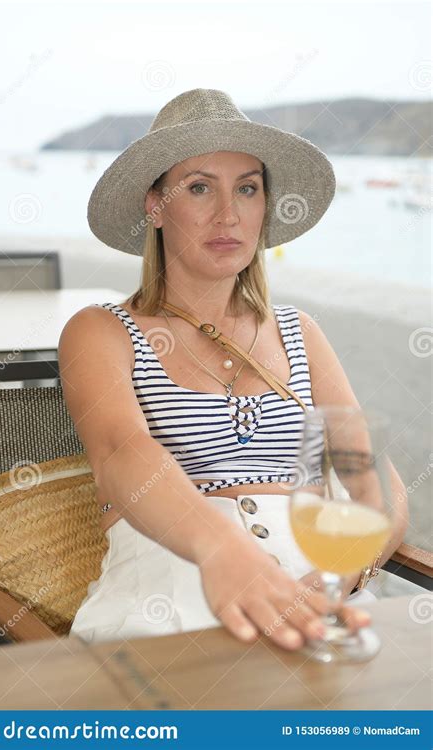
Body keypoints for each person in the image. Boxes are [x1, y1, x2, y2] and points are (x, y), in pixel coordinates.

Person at [59, 88, 409, 650]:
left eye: (247, 188)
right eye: (199, 188)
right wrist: (226, 552)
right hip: (171, 585)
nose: (228, 214)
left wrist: (338, 579)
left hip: (317, 597)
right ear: (155, 205)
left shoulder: (302, 333)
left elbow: (378, 490)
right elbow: (122, 455)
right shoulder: (101, 331)